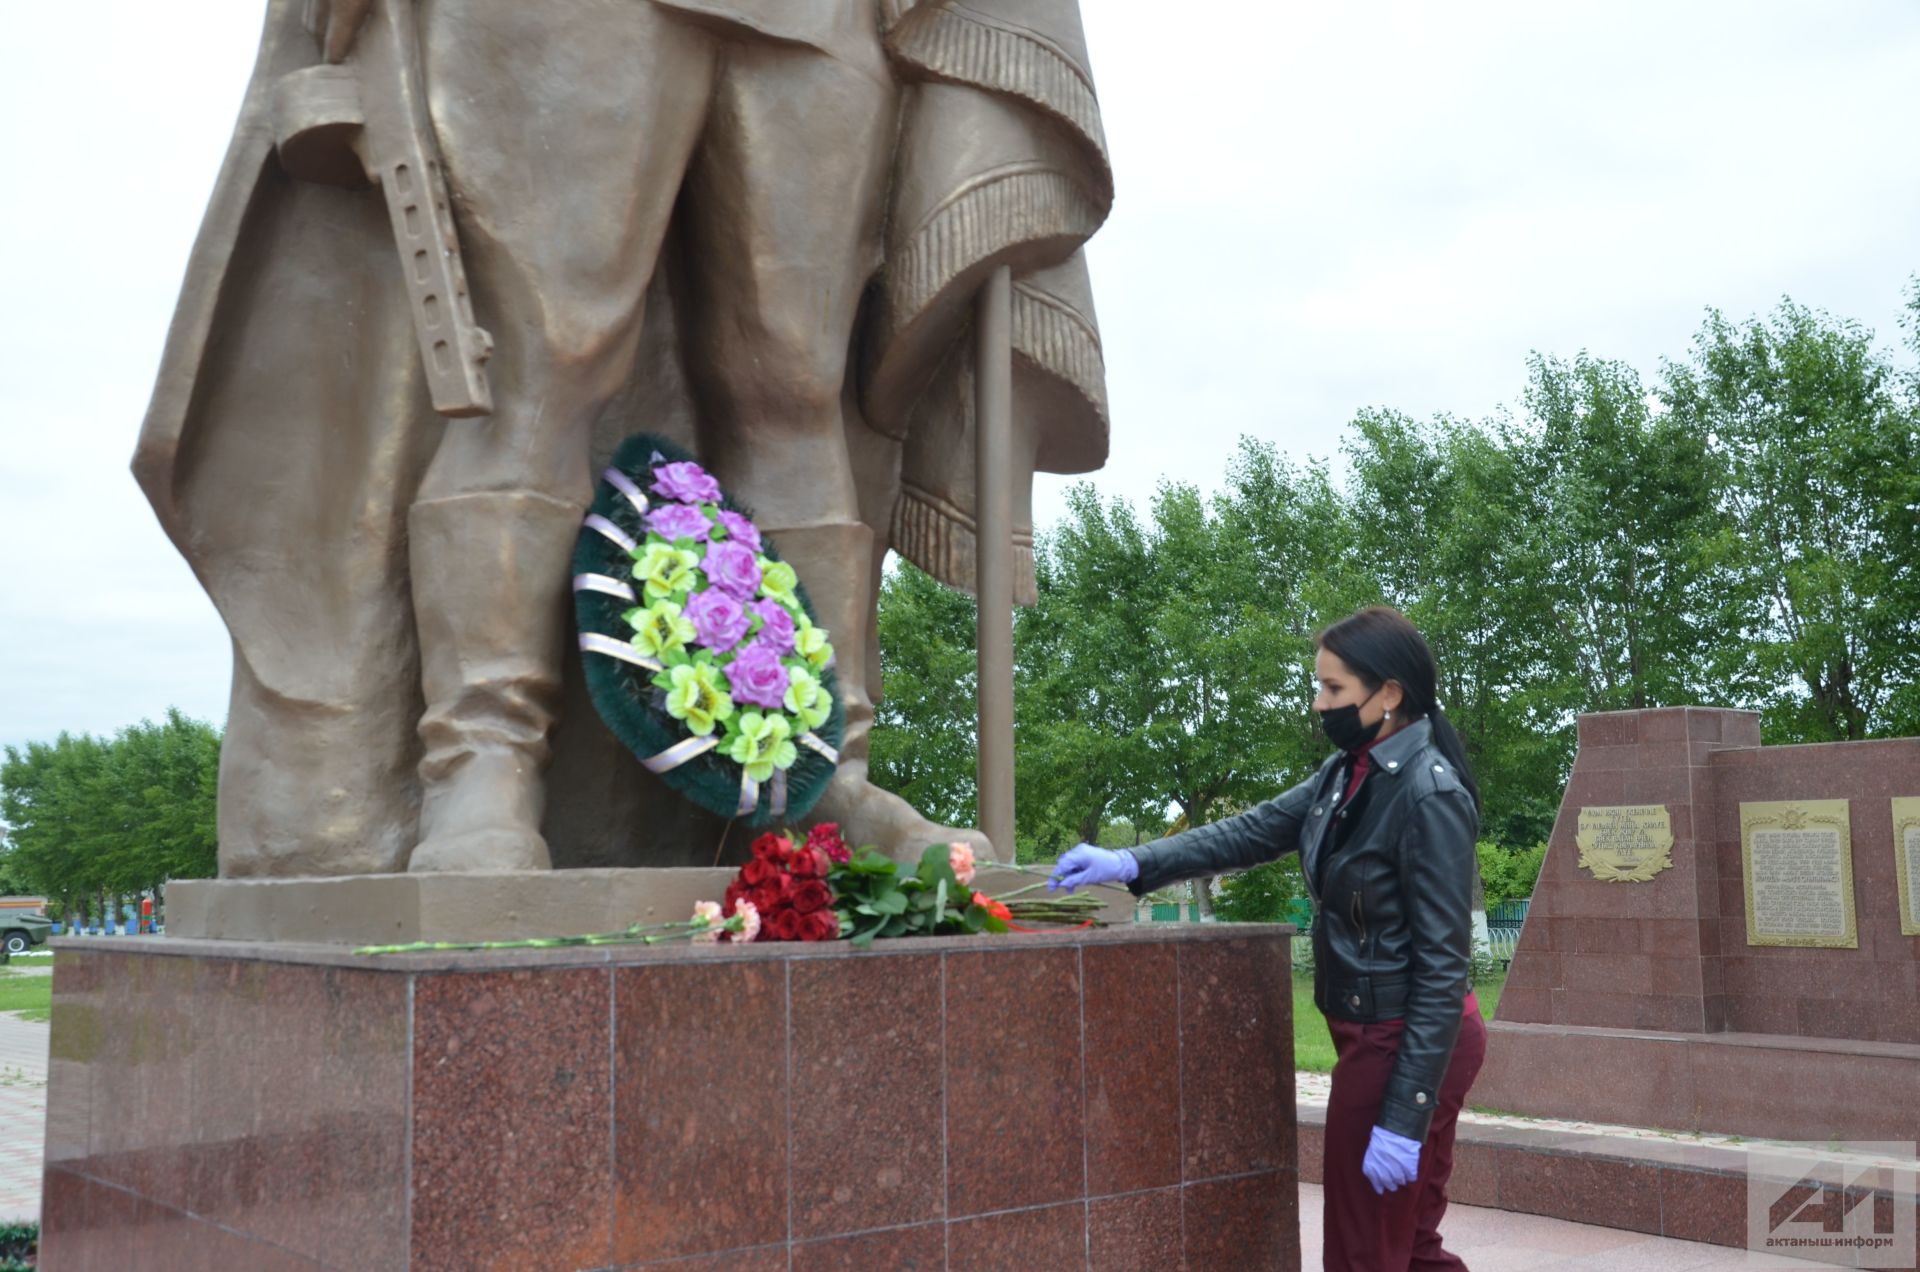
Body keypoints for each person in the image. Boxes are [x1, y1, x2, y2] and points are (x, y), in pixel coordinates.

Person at [1050, 606, 1487, 1271]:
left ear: (1389, 693)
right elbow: (1249, 832)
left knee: (1364, 1249)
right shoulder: (1347, 773)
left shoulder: (1428, 796)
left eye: (1334, 690)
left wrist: (1404, 1116)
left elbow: (1440, 970)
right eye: (1318, 686)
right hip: (1384, 1034)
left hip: (1405, 1041)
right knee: (1410, 1246)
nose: (1319, 704)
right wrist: (1134, 863)